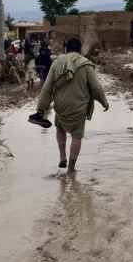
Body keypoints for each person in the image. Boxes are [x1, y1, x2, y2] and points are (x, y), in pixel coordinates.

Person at [32, 38, 108, 173]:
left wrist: (41, 109)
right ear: (80, 49)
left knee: (60, 128)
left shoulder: (57, 62)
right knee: (76, 136)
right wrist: (104, 102)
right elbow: (96, 87)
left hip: (61, 105)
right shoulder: (86, 64)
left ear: (66, 49)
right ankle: (71, 169)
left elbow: (47, 87)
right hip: (79, 107)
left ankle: (62, 156)